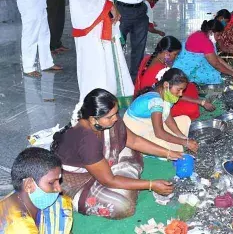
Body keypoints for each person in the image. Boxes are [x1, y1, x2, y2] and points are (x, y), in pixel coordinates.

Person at [52, 89, 182, 219]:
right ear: (93, 119)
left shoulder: (106, 121)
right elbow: (109, 180)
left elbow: (135, 141)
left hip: (100, 165)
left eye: (116, 113)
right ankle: (124, 182)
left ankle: (125, 179)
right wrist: (151, 185)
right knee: (123, 206)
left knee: (132, 150)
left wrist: (169, 153)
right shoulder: (87, 140)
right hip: (79, 182)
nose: (116, 119)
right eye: (110, 117)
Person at [68, 0, 134, 106]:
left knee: (108, 59)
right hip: (92, 21)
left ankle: (109, 94)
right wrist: (107, 6)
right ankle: (94, 99)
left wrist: (112, 6)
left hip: (105, 16)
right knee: (95, 62)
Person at [135, 36, 215, 120]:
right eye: (175, 54)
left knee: (190, 86)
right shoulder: (161, 70)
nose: (176, 57)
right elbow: (171, 94)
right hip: (153, 103)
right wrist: (201, 102)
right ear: (166, 53)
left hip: (151, 93)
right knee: (193, 109)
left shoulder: (149, 58)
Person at [124, 68, 198, 153]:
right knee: (174, 149)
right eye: (178, 90)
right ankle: (142, 148)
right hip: (135, 132)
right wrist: (185, 142)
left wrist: (183, 137)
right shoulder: (156, 101)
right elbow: (159, 133)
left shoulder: (167, 96)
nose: (181, 94)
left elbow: (168, 119)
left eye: (182, 90)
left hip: (150, 125)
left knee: (185, 120)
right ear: (166, 85)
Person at [0, 147, 73, 233]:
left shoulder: (27, 198)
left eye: (58, 180)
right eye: (52, 182)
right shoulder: (17, 227)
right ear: (29, 185)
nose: (59, 188)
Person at [173, 20, 233, 84]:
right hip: (188, 71)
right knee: (214, 75)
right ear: (211, 32)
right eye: (218, 35)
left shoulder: (199, 34)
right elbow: (216, 64)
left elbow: (215, 57)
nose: (219, 38)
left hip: (180, 64)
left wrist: (231, 69)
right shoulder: (206, 42)